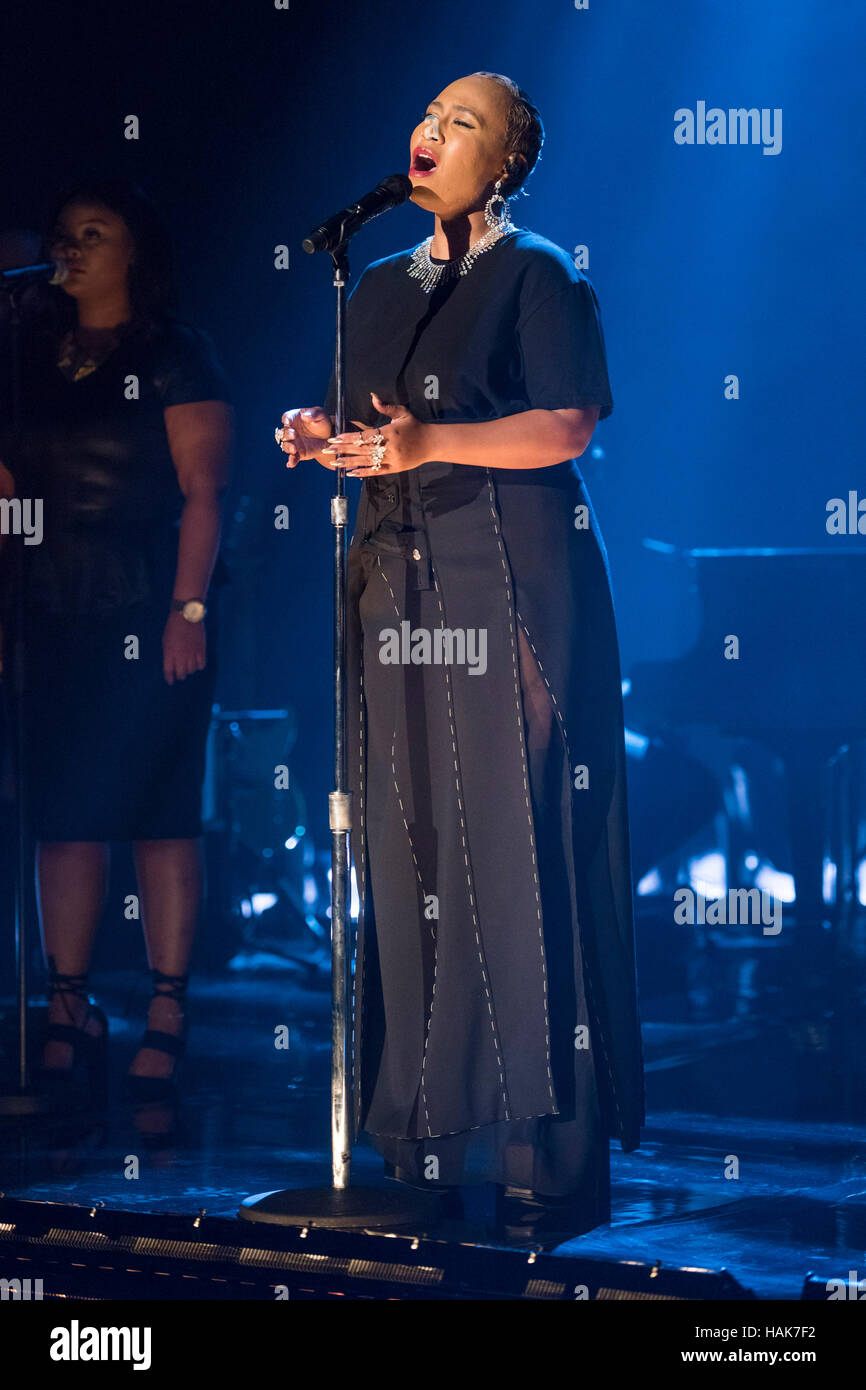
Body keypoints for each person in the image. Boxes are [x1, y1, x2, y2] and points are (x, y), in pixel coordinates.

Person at [277, 72, 644, 1233]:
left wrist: (433, 439)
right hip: (399, 579)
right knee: (414, 851)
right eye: (427, 115)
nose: (432, 132)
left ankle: (547, 1144)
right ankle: (429, 1134)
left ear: (508, 164)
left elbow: (568, 423)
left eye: (464, 123)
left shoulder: (537, 274)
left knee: (512, 843)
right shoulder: (378, 284)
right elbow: (370, 434)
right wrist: (317, 439)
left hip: (513, 580)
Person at [0, 179, 233, 1104]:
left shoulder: (177, 353)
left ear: (136, 251)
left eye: (95, 234)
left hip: (146, 599)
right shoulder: (25, 353)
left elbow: (204, 493)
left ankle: (169, 1009)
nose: (73, 247)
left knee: (157, 809)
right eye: (65, 234)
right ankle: (69, 1005)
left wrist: (188, 609)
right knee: (64, 812)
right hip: (47, 600)